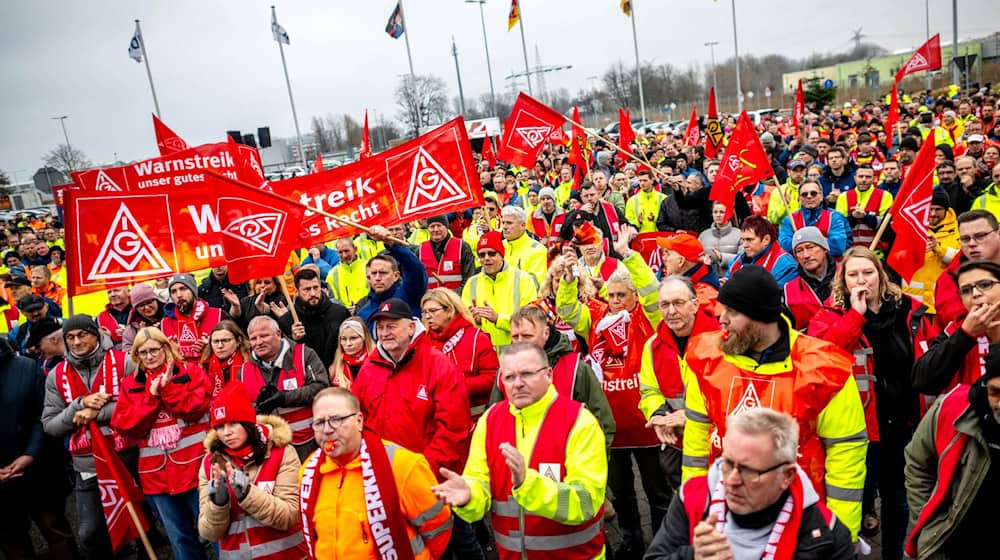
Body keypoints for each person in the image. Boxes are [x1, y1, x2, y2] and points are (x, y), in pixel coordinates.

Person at [682, 265, 868, 540]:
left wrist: (842, 535)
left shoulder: (823, 371)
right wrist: (694, 507)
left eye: (732, 312)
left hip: (801, 521)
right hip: (727, 515)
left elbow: (846, 458)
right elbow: (696, 440)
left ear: (760, 318)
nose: (721, 319)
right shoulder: (706, 357)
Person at [808, 247, 934, 559]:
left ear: (880, 274)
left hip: (903, 423)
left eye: (868, 272)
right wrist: (855, 315)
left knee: (897, 498)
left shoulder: (910, 309)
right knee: (856, 494)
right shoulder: (830, 314)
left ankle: (892, 553)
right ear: (843, 280)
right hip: (858, 428)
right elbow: (821, 358)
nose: (862, 280)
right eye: (853, 274)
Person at [432, 342, 608, 559]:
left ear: (549, 374)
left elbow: (586, 503)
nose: (518, 384)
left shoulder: (580, 422)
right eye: (509, 377)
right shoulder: (490, 420)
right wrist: (470, 496)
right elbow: (480, 482)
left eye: (526, 374)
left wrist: (528, 484)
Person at [352, 298, 479, 558]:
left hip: (436, 482)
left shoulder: (437, 364)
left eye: (392, 326)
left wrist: (419, 474)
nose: (385, 333)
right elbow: (359, 422)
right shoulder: (369, 370)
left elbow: (453, 429)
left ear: (411, 327)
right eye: (381, 328)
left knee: (457, 543)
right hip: (388, 482)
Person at [644, 408, 856, 560]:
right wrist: (691, 556)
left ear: (787, 476)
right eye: (726, 463)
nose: (732, 480)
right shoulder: (691, 498)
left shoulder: (825, 532)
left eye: (749, 471)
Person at [298, 388, 452, 559]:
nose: (327, 430)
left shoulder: (403, 465)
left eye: (336, 419)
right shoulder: (308, 471)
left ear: (359, 421)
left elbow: (439, 528)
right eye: (319, 422)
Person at [112, 327, 212, 560]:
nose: (149, 357)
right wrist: (152, 396)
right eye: (142, 352)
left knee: (212, 530)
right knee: (179, 536)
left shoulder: (192, 372)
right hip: (156, 474)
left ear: (166, 348)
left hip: (195, 467)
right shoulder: (130, 384)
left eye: (154, 350)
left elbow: (194, 410)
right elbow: (127, 426)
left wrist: (166, 390)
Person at [42, 314, 137, 557]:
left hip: (129, 455)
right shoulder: (57, 375)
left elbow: (138, 404)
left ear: (96, 334)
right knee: (90, 533)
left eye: (82, 334)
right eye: (70, 337)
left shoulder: (124, 361)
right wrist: (78, 405)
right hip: (88, 464)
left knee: (141, 523)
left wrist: (97, 412)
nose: (76, 342)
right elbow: (50, 425)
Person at [903, 350, 1000, 559]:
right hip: (952, 546)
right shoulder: (952, 408)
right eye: (995, 392)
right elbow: (917, 464)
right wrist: (927, 522)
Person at [197, 382, 306, 558]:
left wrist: (248, 494)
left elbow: (290, 515)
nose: (226, 433)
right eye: (220, 427)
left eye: (233, 424)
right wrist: (217, 504)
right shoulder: (210, 463)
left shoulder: (282, 452)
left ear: (248, 423)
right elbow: (209, 533)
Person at [638, 276, 720, 494]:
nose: (671, 311)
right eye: (664, 304)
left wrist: (690, 415)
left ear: (695, 304)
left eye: (678, 303)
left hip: (714, 446)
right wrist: (658, 415)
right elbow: (649, 391)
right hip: (675, 444)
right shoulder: (652, 346)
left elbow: (731, 396)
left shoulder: (721, 340)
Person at [0, 337, 78, 560]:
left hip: (38, 471)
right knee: (12, 541)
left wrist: (30, 454)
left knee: (56, 531)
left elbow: (43, 416)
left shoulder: (25, 367)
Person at [501, 304, 617, 446]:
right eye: (515, 336)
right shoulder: (504, 372)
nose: (520, 342)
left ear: (546, 333)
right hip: (517, 459)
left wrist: (592, 462)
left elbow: (603, 423)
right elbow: (496, 422)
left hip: (568, 460)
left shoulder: (576, 369)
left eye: (527, 336)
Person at [239, 316, 328, 461]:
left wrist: (285, 398)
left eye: (264, 336)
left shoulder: (304, 354)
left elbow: (321, 388)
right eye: (253, 338)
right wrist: (258, 408)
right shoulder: (243, 371)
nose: (259, 342)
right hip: (270, 449)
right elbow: (241, 411)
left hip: (308, 443)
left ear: (278, 334)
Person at [422, 288, 498, 421]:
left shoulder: (477, 338)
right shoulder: (424, 342)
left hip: (474, 420)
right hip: (436, 422)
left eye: (433, 311)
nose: (428, 316)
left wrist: (456, 386)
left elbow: (492, 378)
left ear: (450, 310)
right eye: (425, 312)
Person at [462, 231, 539, 347]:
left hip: (518, 353)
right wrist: (475, 321)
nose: (486, 258)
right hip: (485, 356)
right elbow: (464, 323)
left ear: (502, 255)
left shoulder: (524, 280)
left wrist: (498, 319)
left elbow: (531, 322)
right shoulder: (471, 283)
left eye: (492, 253)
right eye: (482, 255)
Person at [933, 209, 1000, 328]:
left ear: (998, 233)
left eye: (980, 236)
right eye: (965, 239)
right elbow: (949, 324)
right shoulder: (947, 281)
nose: (972, 243)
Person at [355, 225, 429, 331]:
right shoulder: (364, 313)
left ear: (396, 276)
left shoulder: (409, 293)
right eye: (374, 273)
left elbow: (415, 269)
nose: (378, 278)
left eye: (383, 273)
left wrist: (391, 244)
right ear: (368, 278)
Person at [276, 268, 349, 369]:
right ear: (297, 291)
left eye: (316, 288)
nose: (313, 293)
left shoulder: (340, 313)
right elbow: (282, 357)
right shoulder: (287, 321)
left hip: (338, 373)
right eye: (307, 289)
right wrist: (293, 339)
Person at [901, 188, 959, 315]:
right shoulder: (913, 228)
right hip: (914, 303)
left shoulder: (959, 230)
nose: (933, 213)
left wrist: (937, 248)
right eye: (930, 209)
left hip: (943, 302)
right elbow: (898, 259)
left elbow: (959, 261)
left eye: (937, 209)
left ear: (947, 210)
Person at [161, 273, 224, 364]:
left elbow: (234, 347)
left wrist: (211, 348)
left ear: (193, 291)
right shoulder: (164, 324)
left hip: (213, 373)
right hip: (182, 375)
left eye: (183, 289)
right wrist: (171, 352)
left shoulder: (218, 315)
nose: (179, 295)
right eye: (173, 291)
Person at [779, 181, 851, 258]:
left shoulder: (834, 217)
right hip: (799, 267)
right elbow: (785, 246)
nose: (809, 196)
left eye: (813, 193)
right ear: (799, 198)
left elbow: (838, 247)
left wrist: (800, 243)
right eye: (804, 194)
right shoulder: (789, 220)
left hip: (830, 267)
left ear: (821, 196)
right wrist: (822, 241)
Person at [783, 227, 836, 330]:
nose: (805, 255)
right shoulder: (788, 291)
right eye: (799, 251)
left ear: (824, 248)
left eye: (810, 247)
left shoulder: (845, 277)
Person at [657, 233, 720, 316]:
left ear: (681, 261)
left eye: (667, 254)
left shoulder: (704, 297)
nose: (664, 258)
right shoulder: (670, 276)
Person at [728, 215, 799, 287]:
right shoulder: (737, 261)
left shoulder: (786, 266)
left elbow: (775, 296)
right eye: (743, 240)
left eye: (750, 240)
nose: (745, 245)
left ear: (766, 239)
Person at [836, 164, 893, 250]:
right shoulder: (843, 196)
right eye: (861, 176)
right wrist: (853, 217)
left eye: (868, 177)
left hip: (876, 252)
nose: (864, 180)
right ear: (855, 178)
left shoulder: (885, 196)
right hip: (850, 252)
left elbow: (885, 227)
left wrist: (865, 216)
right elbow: (840, 225)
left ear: (874, 179)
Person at [420, 215, 476, 292]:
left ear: (446, 227)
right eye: (432, 226)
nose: (435, 229)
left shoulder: (462, 247)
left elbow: (470, 279)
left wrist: (451, 297)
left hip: (455, 301)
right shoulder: (420, 250)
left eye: (439, 225)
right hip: (430, 301)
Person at [501, 205, 548, 289]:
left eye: (509, 223)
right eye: (503, 222)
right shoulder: (498, 246)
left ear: (523, 225)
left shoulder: (537, 250)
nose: (504, 227)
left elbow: (535, 284)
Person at [200, 320, 250, 397]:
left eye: (225, 341)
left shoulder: (249, 364)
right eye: (216, 341)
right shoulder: (205, 364)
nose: (220, 346)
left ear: (238, 341)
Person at [699, 201, 742, 277]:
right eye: (715, 212)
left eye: (722, 212)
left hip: (732, 279)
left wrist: (721, 257)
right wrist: (704, 260)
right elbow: (697, 257)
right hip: (710, 281)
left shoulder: (739, 234)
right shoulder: (703, 235)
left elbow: (743, 259)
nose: (718, 215)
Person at [328, 237, 369, 313]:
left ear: (355, 249)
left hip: (368, 312)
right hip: (345, 316)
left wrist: (359, 307)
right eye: (340, 252)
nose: (344, 255)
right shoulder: (332, 274)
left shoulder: (369, 267)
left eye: (347, 251)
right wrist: (345, 310)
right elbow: (332, 299)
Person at [122, 282, 164, 354]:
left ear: (156, 300)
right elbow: (128, 355)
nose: (147, 307)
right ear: (136, 309)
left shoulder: (170, 317)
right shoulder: (132, 328)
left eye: (149, 302)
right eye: (141, 305)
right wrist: (141, 338)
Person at [528, 187, 567, 253]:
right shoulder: (532, 217)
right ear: (540, 201)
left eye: (548, 198)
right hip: (540, 254)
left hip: (560, 253)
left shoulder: (565, 214)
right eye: (543, 199)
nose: (546, 201)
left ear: (553, 200)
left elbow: (568, 238)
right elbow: (529, 240)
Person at [628, 169, 668, 233]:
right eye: (640, 181)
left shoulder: (664, 198)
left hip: (660, 237)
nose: (642, 183)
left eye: (645, 180)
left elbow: (669, 220)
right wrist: (638, 221)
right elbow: (628, 221)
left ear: (652, 180)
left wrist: (655, 219)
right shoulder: (632, 200)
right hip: (640, 238)